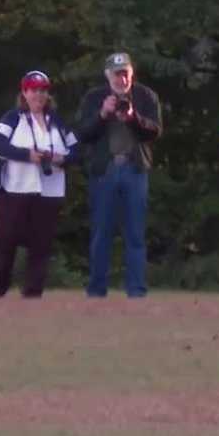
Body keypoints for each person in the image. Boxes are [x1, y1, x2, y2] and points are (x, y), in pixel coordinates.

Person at [74, 52, 162, 298]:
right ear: (107, 75)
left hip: (135, 170)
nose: (121, 79)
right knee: (101, 232)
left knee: (135, 233)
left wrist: (133, 118)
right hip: (105, 170)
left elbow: (155, 132)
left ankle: (136, 290)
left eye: (125, 74)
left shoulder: (146, 96)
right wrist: (102, 114)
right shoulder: (94, 97)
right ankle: (96, 289)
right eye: (116, 74)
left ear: (131, 74)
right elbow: (82, 133)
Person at [0, 71, 79, 298]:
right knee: (6, 239)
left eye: (43, 90)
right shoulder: (13, 117)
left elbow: (76, 150)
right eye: (33, 90)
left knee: (41, 243)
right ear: (24, 93)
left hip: (50, 189)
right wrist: (28, 155)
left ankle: (33, 292)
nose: (38, 94)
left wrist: (60, 158)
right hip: (17, 187)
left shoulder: (56, 121)